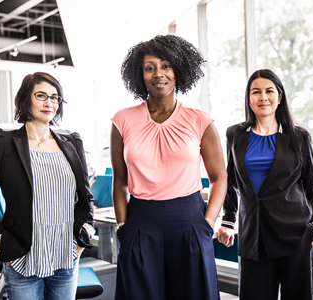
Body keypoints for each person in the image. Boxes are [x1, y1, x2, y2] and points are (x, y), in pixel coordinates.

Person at [111, 34, 227, 300]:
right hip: (140, 220)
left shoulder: (200, 121)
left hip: (189, 219)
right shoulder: (122, 120)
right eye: (149, 67)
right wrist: (122, 227)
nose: (158, 74)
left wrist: (207, 224)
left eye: (166, 66)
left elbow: (220, 178)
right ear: (140, 75)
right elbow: (120, 181)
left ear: (179, 70)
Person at [217, 69, 313, 300]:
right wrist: (227, 220)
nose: (263, 97)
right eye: (256, 92)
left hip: (295, 237)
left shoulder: (298, 137)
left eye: (269, 91)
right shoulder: (235, 134)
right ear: (249, 98)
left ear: (280, 97)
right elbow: (231, 181)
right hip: (253, 240)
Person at [0, 72, 95, 300]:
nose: (49, 103)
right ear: (25, 98)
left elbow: (86, 197)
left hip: (66, 254)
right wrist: (0, 240)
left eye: (55, 97)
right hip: (22, 256)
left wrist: (82, 239)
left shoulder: (72, 142)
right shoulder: (4, 144)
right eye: (41, 95)